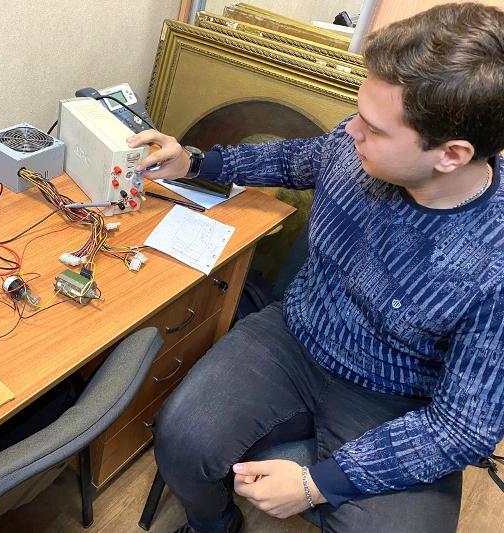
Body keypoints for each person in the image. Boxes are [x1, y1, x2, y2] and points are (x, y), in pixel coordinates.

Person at [126, 3, 504, 533]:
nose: (351, 132)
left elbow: (462, 427)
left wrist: (317, 483)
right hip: (297, 333)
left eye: (374, 129)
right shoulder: (353, 149)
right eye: (358, 114)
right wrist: (197, 162)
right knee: (182, 440)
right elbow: (297, 159)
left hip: (397, 398)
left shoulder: (494, 264)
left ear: (451, 154)